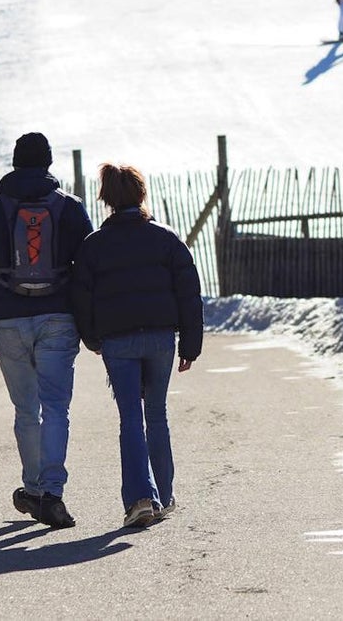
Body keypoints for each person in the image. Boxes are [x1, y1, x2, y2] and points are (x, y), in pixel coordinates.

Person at [0, 132, 93, 529]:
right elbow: (88, 270)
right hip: (58, 317)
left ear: (15, 162)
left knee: (26, 410)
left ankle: (33, 487)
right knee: (57, 408)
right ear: (49, 163)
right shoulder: (69, 207)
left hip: (7, 318)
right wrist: (90, 325)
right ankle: (52, 493)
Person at [71, 163, 203, 529]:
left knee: (130, 418)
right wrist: (190, 345)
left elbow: (81, 297)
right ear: (141, 194)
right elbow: (189, 293)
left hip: (117, 341)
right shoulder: (166, 238)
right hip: (161, 337)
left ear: (107, 199)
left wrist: (92, 338)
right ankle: (164, 494)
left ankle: (141, 499)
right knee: (156, 414)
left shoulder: (93, 246)